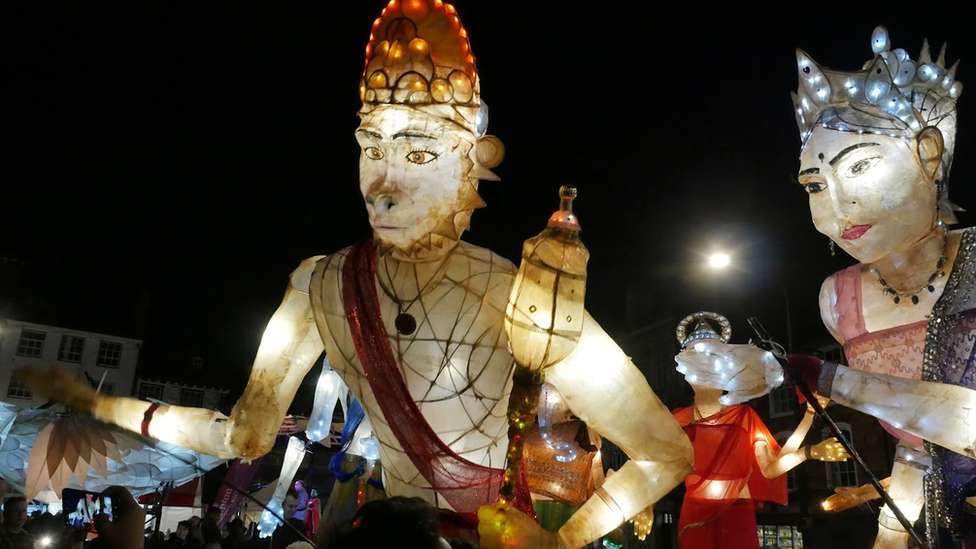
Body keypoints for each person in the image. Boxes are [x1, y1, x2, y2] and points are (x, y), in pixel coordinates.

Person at [19, 2, 694, 548]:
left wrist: (561, 541)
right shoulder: (320, 285)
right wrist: (97, 403)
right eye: (373, 145)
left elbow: (664, 451)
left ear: (473, 161)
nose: (385, 184)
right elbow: (242, 436)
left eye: (419, 149)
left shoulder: (511, 292)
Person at [782, 26, 976, 549]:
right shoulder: (837, 300)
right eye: (816, 187)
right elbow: (915, 449)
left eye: (861, 166)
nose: (835, 209)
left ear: (929, 154)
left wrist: (828, 378)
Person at [665, 313, 849, 549]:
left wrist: (809, 442)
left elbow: (772, 467)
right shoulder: (677, 420)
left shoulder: (743, 416)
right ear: (685, 371)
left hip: (737, 513)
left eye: (714, 362)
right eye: (698, 364)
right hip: (695, 512)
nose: (707, 372)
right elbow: (653, 465)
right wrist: (644, 505)